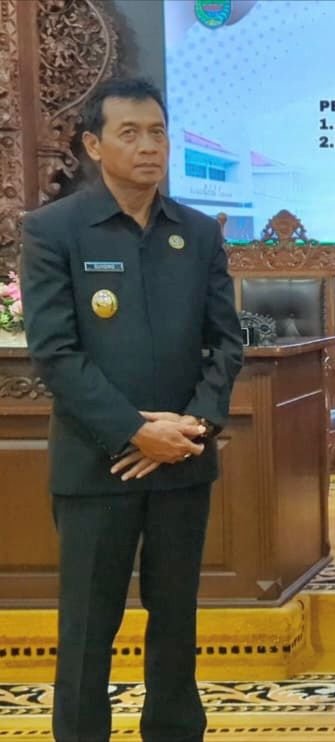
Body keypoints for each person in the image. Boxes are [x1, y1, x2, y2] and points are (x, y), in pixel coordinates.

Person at [20, 77, 243, 740]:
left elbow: (226, 342)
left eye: (158, 133)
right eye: (130, 133)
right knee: (89, 628)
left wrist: (193, 425)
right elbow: (55, 353)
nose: (149, 147)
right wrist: (132, 432)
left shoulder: (197, 233)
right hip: (98, 468)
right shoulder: (54, 230)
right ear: (94, 145)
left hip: (182, 462)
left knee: (175, 622)